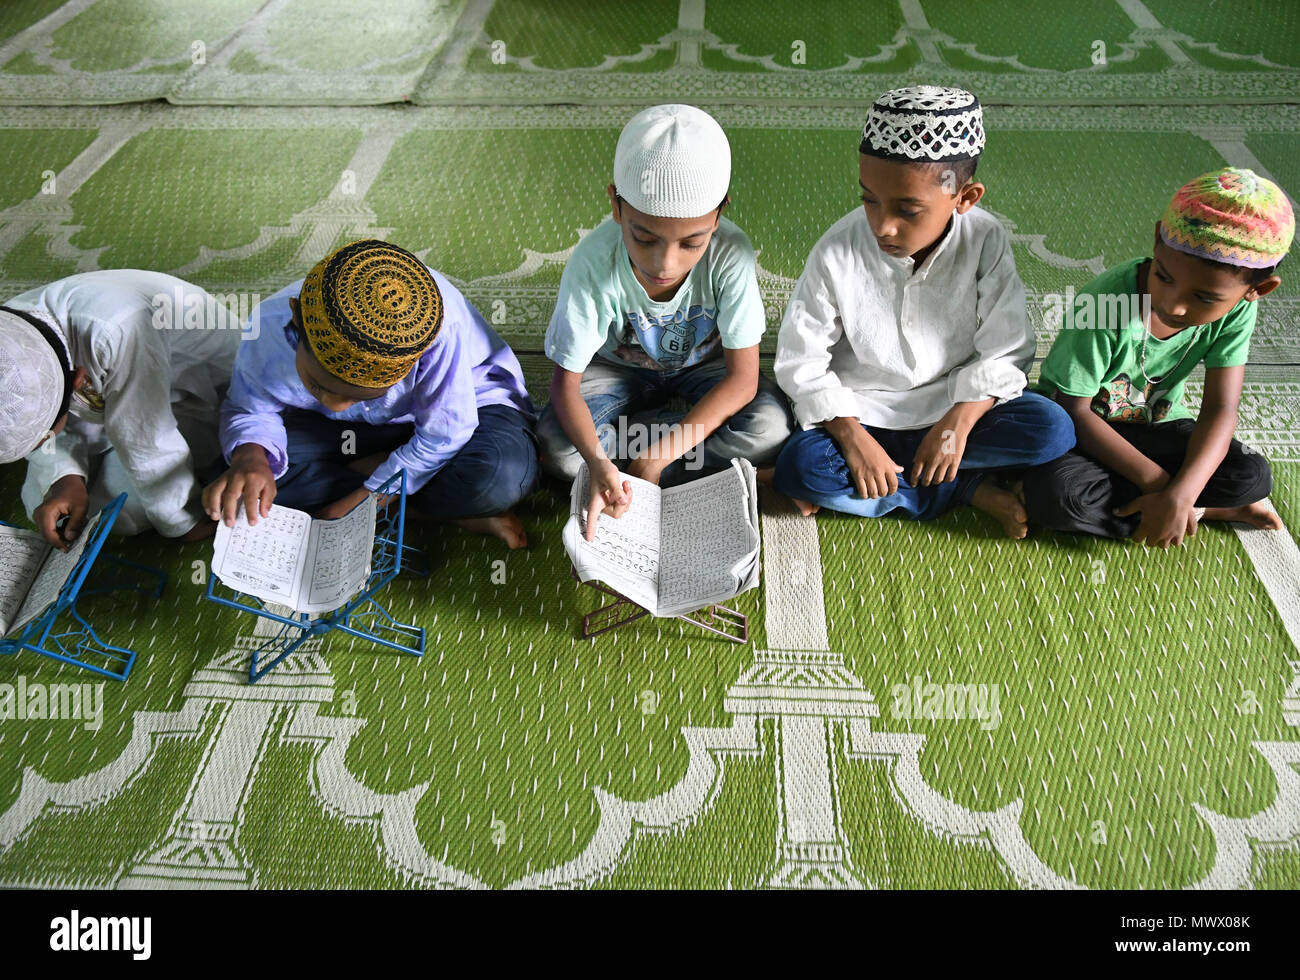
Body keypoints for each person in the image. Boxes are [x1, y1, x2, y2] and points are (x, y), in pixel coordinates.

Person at [771, 86, 1074, 538]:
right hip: (865, 412)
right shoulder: (839, 249)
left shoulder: (985, 239)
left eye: (908, 210)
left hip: (953, 403)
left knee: (1051, 429)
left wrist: (958, 423)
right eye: (869, 199)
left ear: (965, 198)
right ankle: (964, 488)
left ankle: (906, 484)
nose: (882, 225)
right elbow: (802, 362)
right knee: (802, 467)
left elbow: (1006, 349)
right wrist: (854, 441)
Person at [538, 103, 794, 539]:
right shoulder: (593, 262)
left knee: (772, 429)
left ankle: (642, 460)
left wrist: (655, 458)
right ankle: (671, 462)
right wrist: (598, 463)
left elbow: (742, 381)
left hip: (705, 366)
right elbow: (565, 384)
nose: (665, 263)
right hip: (615, 369)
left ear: (719, 214)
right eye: (644, 237)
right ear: (616, 206)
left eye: (692, 242)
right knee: (560, 451)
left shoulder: (731, 253)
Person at [204, 239, 538, 549]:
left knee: (500, 477)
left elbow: (446, 433)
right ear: (296, 321)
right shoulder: (266, 326)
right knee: (239, 484)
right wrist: (251, 457)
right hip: (345, 432)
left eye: (361, 396)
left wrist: (357, 506)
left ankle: (381, 480)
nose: (334, 404)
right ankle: (441, 508)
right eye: (318, 385)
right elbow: (249, 408)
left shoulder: (436, 336)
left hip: (459, 410)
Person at [1022, 167, 1292, 547]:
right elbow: (1073, 410)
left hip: (1157, 425)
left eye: (1203, 298)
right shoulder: (1105, 302)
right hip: (1083, 431)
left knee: (1252, 475)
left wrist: (1182, 493)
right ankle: (1201, 510)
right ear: (1156, 240)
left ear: (1258, 289)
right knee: (1058, 498)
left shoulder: (1239, 310)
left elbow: (1220, 410)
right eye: (1164, 277)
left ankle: (1179, 508)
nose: (1173, 304)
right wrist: (1165, 487)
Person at [0, 270, 239, 548]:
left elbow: (147, 437)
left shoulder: (117, 331)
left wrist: (182, 520)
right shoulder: (12, 329)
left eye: (43, 436)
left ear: (78, 380)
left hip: (196, 395)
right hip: (117, 395)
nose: (42, 442)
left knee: (122, 510)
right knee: (42, 499)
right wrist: (64, 477)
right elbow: (32, 406)